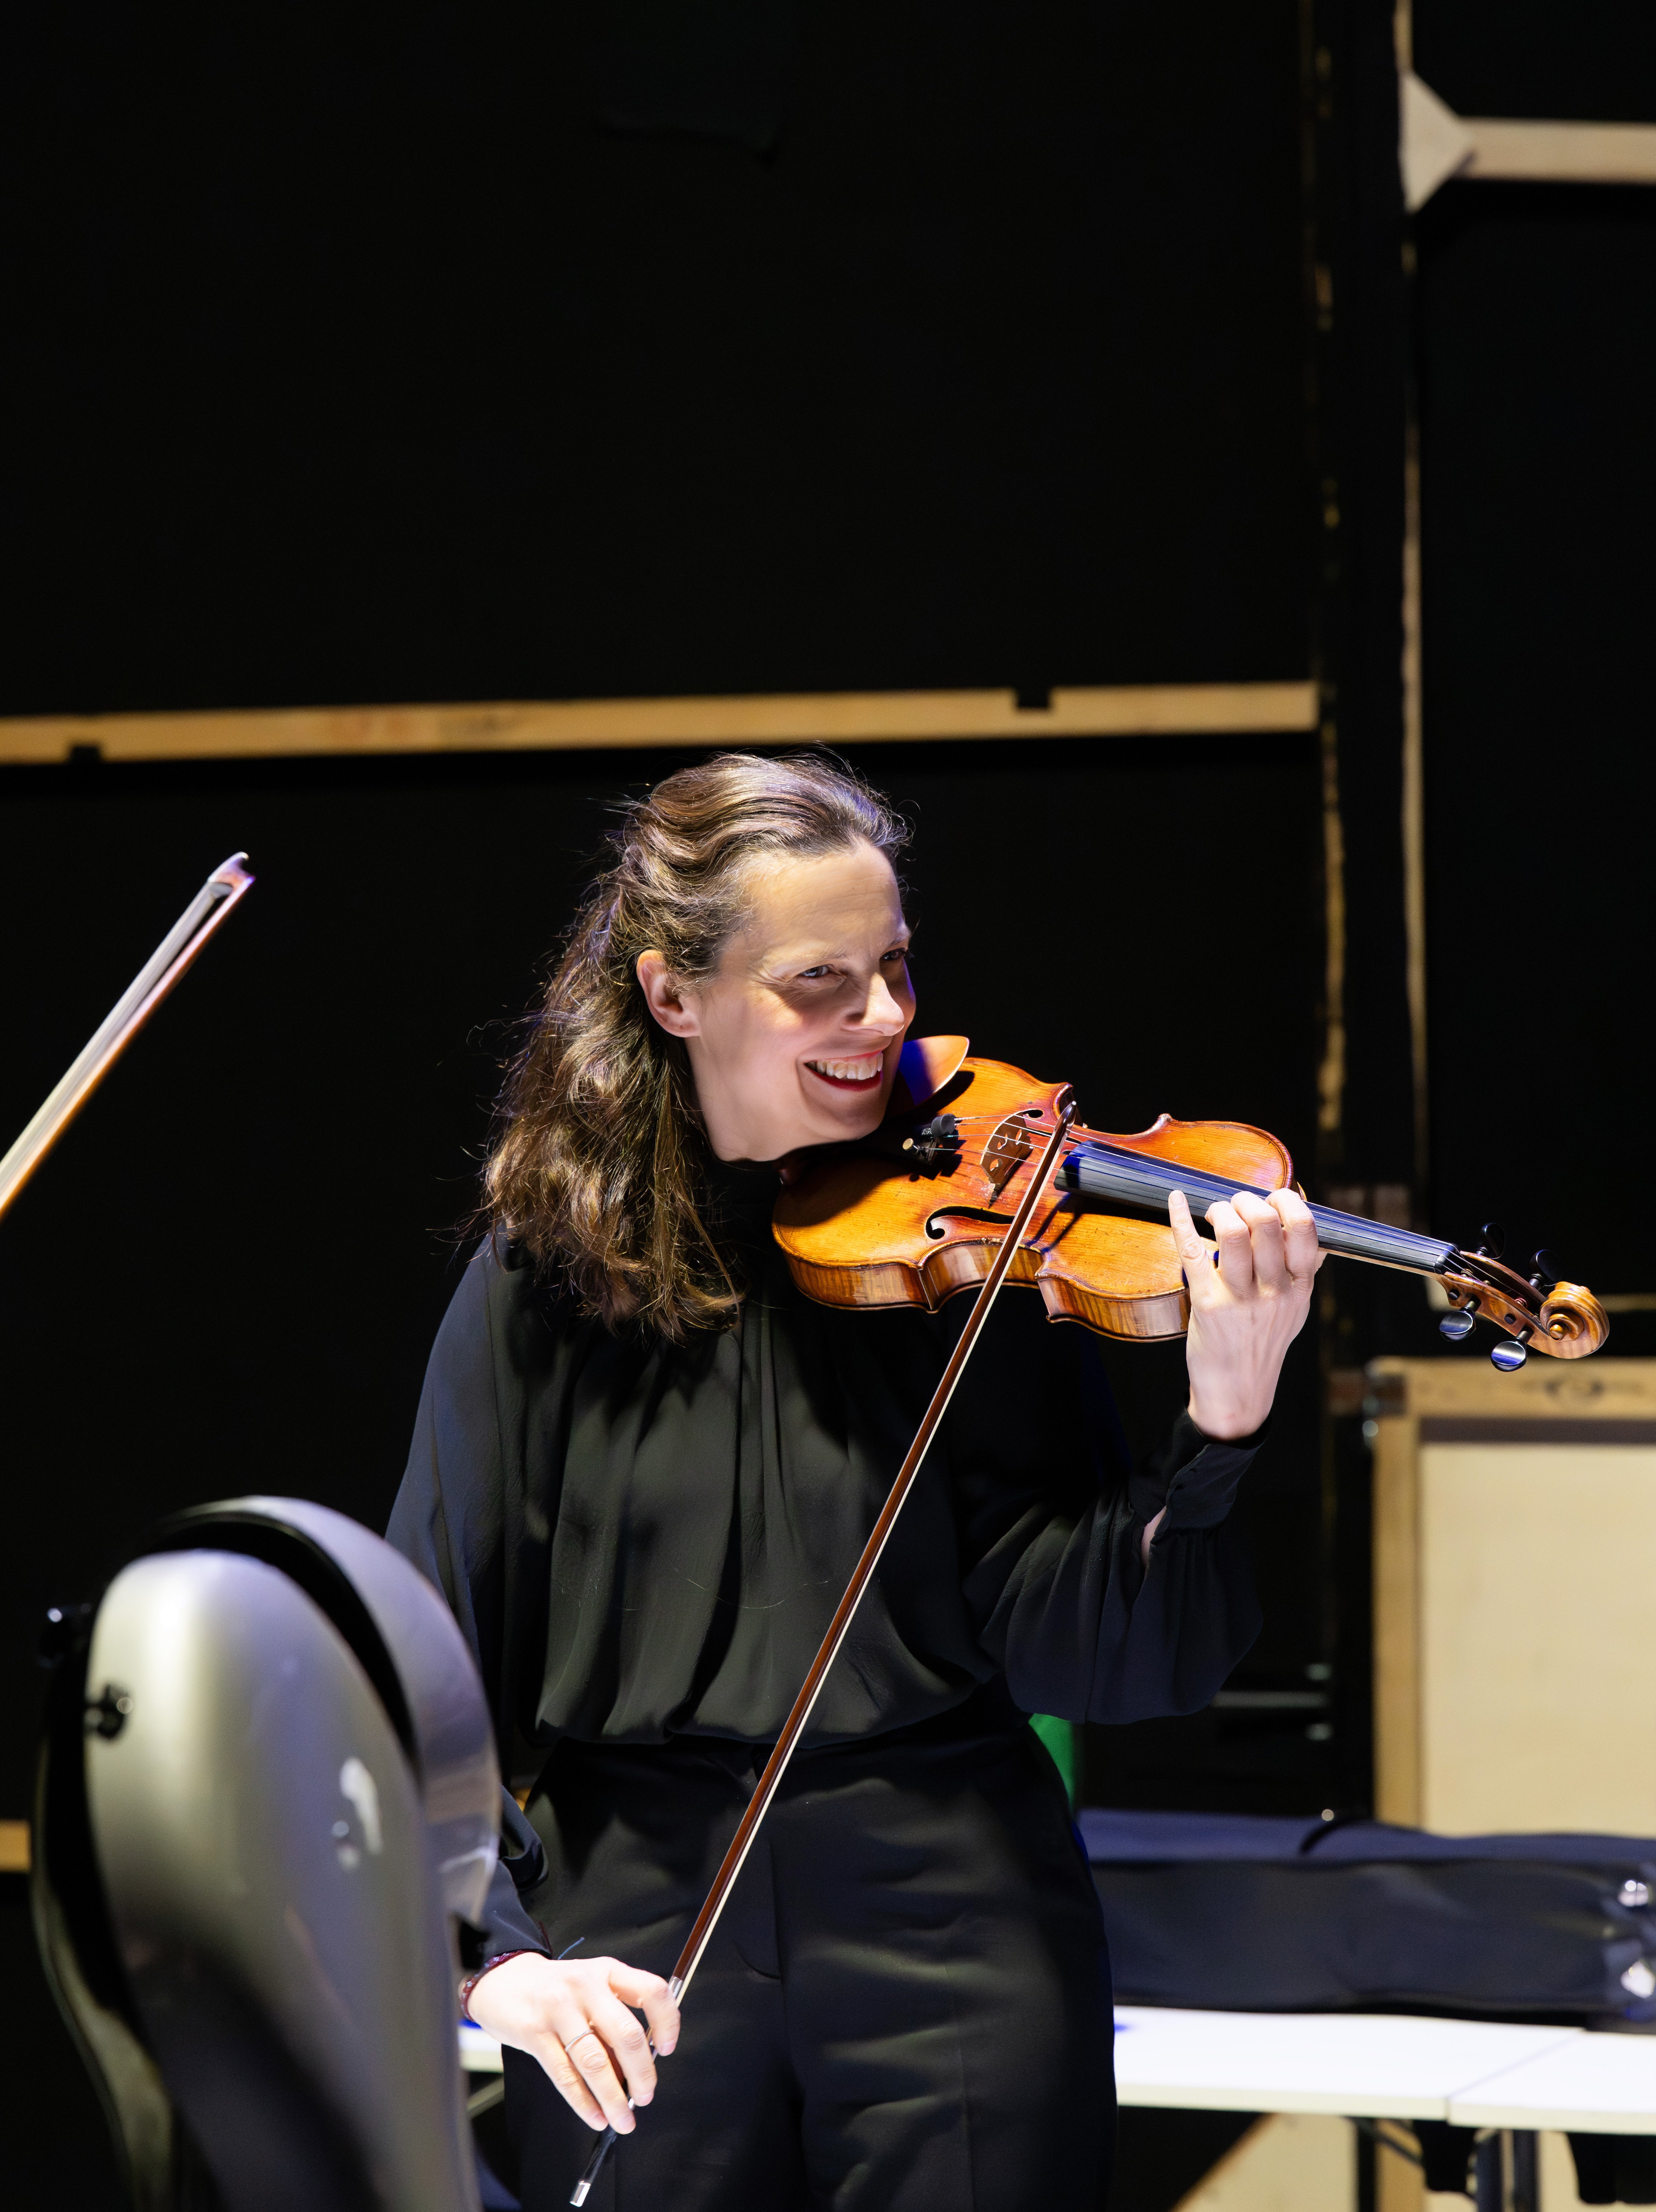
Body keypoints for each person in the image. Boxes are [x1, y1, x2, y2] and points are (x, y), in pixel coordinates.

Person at [387, 751, 1321, 2210]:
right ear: (673, 994)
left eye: (893, 965)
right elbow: (420, 1654)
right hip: (634, 1926)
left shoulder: (982, 1237)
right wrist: (491, 1958)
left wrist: (1227, 1410)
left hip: (955, 1913)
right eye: (817, 979)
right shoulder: (547, 1278)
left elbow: (1105, 1653)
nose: (883, 1016)